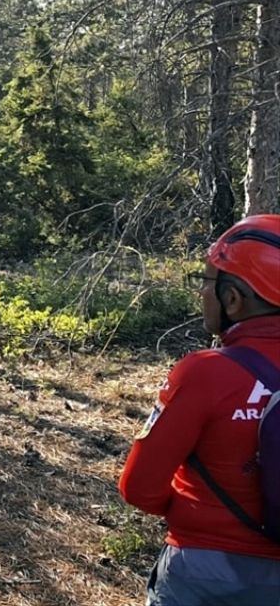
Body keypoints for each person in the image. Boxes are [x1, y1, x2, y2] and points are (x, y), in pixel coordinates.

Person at [119, 214, 280, 605]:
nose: (203, 293)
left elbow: (138, 489)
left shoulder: (204, 373)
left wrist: (198, 512)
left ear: (232, 299)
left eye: (207, 282)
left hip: (204, 573)